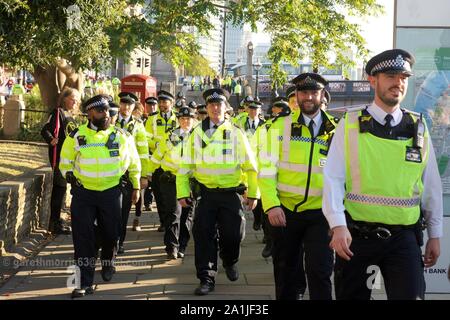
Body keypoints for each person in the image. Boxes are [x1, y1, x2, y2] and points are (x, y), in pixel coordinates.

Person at [323, 49, 443, 300]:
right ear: (372, 79)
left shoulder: (418, 126)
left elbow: (430, 185)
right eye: (390, 76)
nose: (398, 83)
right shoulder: (350, 123)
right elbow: (333, 178)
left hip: (405, 239)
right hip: (357, 238)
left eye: (403, 77)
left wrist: (435, 234)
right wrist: (337, 225)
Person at [258, 73, 337, 300]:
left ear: (323, 96)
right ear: (296, 96)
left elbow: (346, 175)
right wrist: (271, 206)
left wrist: (339, 216)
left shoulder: (338, 129)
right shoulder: (277, 127)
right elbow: (266, 170)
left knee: (320, 272)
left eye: (314, 92)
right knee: (285, 272)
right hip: (285, 212)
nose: (309, 97)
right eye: (304, 92)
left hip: (321, 214)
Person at [176, 88, 259, 296]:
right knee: (203, 235)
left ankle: (230, 260)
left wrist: (254, 193)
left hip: (231, 194)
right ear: (207, 108)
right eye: (211, 105)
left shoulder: (236, 132)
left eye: (218, 104)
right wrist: (182, 192)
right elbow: (185, 166)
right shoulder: (197, 132)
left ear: (225, 108)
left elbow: (251, 166)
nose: (214, 108)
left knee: (233, 235)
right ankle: (206, 277)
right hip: (206, 194)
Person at [59, 95, 141, 298]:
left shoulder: (122, 136)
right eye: (100, 111)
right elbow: (65, 161)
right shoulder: (76, 136)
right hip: (84, 194)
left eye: (106, 110)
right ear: (89, 113)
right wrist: (68, 174)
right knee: (82, 239)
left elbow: (134, 163)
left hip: (111, 193)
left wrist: (137, 186)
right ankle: (83, 283)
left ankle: (107, 261)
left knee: (111, 234)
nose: (106, 114)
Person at [148, 106, 196, 259]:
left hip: (189, 181)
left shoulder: (199, 137)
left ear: (193, 120)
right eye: (182, 119)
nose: (185, 121)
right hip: (171, 180)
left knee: (187, 215)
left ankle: (182, 245)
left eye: (188, 119)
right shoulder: (170, 136)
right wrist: (148, 173)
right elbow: (157, 156)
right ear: (178, 120)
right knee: (173, 213)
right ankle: (171, 247)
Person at [41, 88, 81, 234]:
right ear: (64, 98)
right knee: (59, 190)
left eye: (77, 100)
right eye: (72, 99)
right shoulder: (57, 113)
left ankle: (56, 220)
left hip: (68, 159)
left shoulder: (70, 115)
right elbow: (45, 130)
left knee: (62, 190)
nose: (75, 102)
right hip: (59, 159)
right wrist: (52, 140)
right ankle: (54, 224)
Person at [116, 92, 149, 253]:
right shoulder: (111, 120)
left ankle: (119, 242)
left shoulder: (138, 125)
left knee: (123, 212)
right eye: (124, 103)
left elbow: (143, 151)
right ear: (120, 104)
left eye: (130, 105)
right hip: (111, 172)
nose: (126, 107)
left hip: (129, 174)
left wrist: (144, 175)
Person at [145, 90, 178, 232]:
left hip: (173, 163)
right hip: (157, 162)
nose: (162, 105)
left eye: (165, 102)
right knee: (158, 194)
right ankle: (163, 221)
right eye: (161, 102)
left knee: (173, 195)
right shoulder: (151, 119)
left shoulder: (178, 119)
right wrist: (156, 145)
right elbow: (146, 138)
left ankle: (173, 221)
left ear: (171, 103)